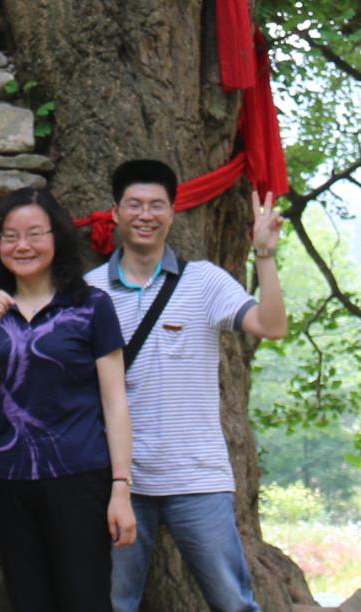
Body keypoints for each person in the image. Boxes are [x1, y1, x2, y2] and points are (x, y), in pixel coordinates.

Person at [84, 160, 286, 612]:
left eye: (157, 205)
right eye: (134, 204)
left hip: (198, 476)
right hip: (120, 481)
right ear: (115, 212)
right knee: (114, 602)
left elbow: (272, 326)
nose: (145, 215)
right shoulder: (89, 291)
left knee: (233, 603)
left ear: (172, 214)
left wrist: (264, 255)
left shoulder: (205, 281)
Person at [0, 187, 137, 612]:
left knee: (85, 599)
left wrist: (121, 488)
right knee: (28, 599)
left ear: (57, 238)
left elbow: (115, 403)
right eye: (10, 236)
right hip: (10, 479)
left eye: (35, 234)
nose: (22, 246)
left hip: (80, 476)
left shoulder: (91, 306)